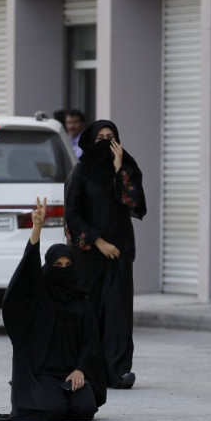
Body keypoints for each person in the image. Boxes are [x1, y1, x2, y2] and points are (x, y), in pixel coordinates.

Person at [0, 197, 106, 421]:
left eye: (68, 266)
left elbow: (90, 340)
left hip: (70, 371)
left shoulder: (80, 299)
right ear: (48, 267)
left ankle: (68, 392)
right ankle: (31, 393)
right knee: (54, 410)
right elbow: (27, 270)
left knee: (84, 410)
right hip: (38, 372)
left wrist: (81, 369)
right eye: (57, 266)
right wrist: (37, 228)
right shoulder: (38, 293)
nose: (63, 270)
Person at [64, 120, 146, 389]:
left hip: (120, 252)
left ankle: (119, 371)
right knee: (90, 311)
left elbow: (133, 203)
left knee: (118, 312)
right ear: (89, 141)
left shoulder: (127, 169)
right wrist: (98, 241)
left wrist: (119, 168)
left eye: (111, 138)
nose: (105, 143)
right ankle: (86, 368)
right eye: (100, 138)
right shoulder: (81, 172)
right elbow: (72, 214)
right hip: (91, 255)